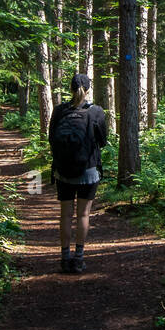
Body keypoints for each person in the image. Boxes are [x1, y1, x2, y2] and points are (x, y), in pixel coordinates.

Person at [48, 74, 108, 274]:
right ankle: (79, 259)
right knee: (83, 214)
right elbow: (103, 140)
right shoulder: (96, 111)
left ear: (71, 89)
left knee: (65, 214)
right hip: (88, 170)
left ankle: (65, 258)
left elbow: (51, 138)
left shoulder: (59, 111)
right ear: (88, 90)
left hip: (63, 171)